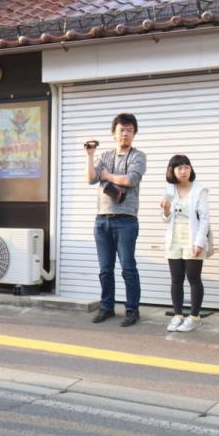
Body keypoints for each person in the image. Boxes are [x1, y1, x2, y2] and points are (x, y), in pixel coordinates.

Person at [86, 114, 146, 326]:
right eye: (121, 130)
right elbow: (91, 178)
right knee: (105, 269)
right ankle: (107, 307)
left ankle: (132, 310)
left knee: (128, 268)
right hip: (102, 220)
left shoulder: (138, 156)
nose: (125, 134)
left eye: (129, 130)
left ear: (134, 133)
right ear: (113, 133)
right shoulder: (105, 155)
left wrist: (107, 176)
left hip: (126, 220)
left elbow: (130, 179)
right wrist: (90, 156)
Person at [159, 155, 210, 332]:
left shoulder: (200, 189)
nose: (183, 171)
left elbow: (204, 219)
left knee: (193, 277)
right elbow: (165, 219)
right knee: (176, 278)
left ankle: (194, 317)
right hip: (174, 238)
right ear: (172, 171)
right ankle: (178, 315)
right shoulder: (169, 189)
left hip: (193, 237)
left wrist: (199, 243)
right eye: (179, 168)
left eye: (186, 167)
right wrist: (166, 211)